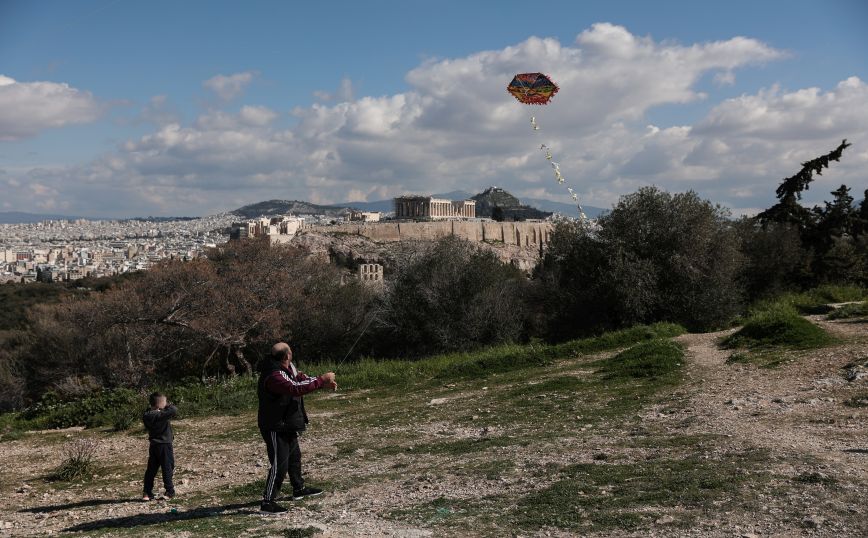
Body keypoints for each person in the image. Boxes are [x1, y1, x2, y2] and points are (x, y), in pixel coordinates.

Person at [258, 342, 337, 514]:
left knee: (294, 458)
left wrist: (322, 384)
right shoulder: (274, 375)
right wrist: (322, 379)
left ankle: (298, 489)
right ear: (287, 355)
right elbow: (294, 388)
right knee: (280, 463)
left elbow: (301, 379)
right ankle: (267, 502)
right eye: (290, 351)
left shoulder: (289, 369)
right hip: (275, 425)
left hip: (287, 422)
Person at [142, 392, 177, 501]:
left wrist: (161, 407)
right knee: (167, 468)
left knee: (151, 470)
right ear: (160, 405)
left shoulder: (146, 415)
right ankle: (169, 491)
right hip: (165, 445)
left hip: (154, 445)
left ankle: (147, 492)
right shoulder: (160, 415)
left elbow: (151, 411)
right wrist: (167, 406)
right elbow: (174, 410)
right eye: (165, 403)